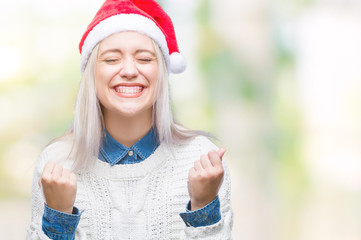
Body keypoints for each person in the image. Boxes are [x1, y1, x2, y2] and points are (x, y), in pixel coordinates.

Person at [26, 0, 233, 239]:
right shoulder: (56, 163)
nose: (129, 70)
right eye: (112, 59)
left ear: (162, 73)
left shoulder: (202, 161)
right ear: (92, 74)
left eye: (144, 59)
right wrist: (59, 218)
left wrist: (203, 208)